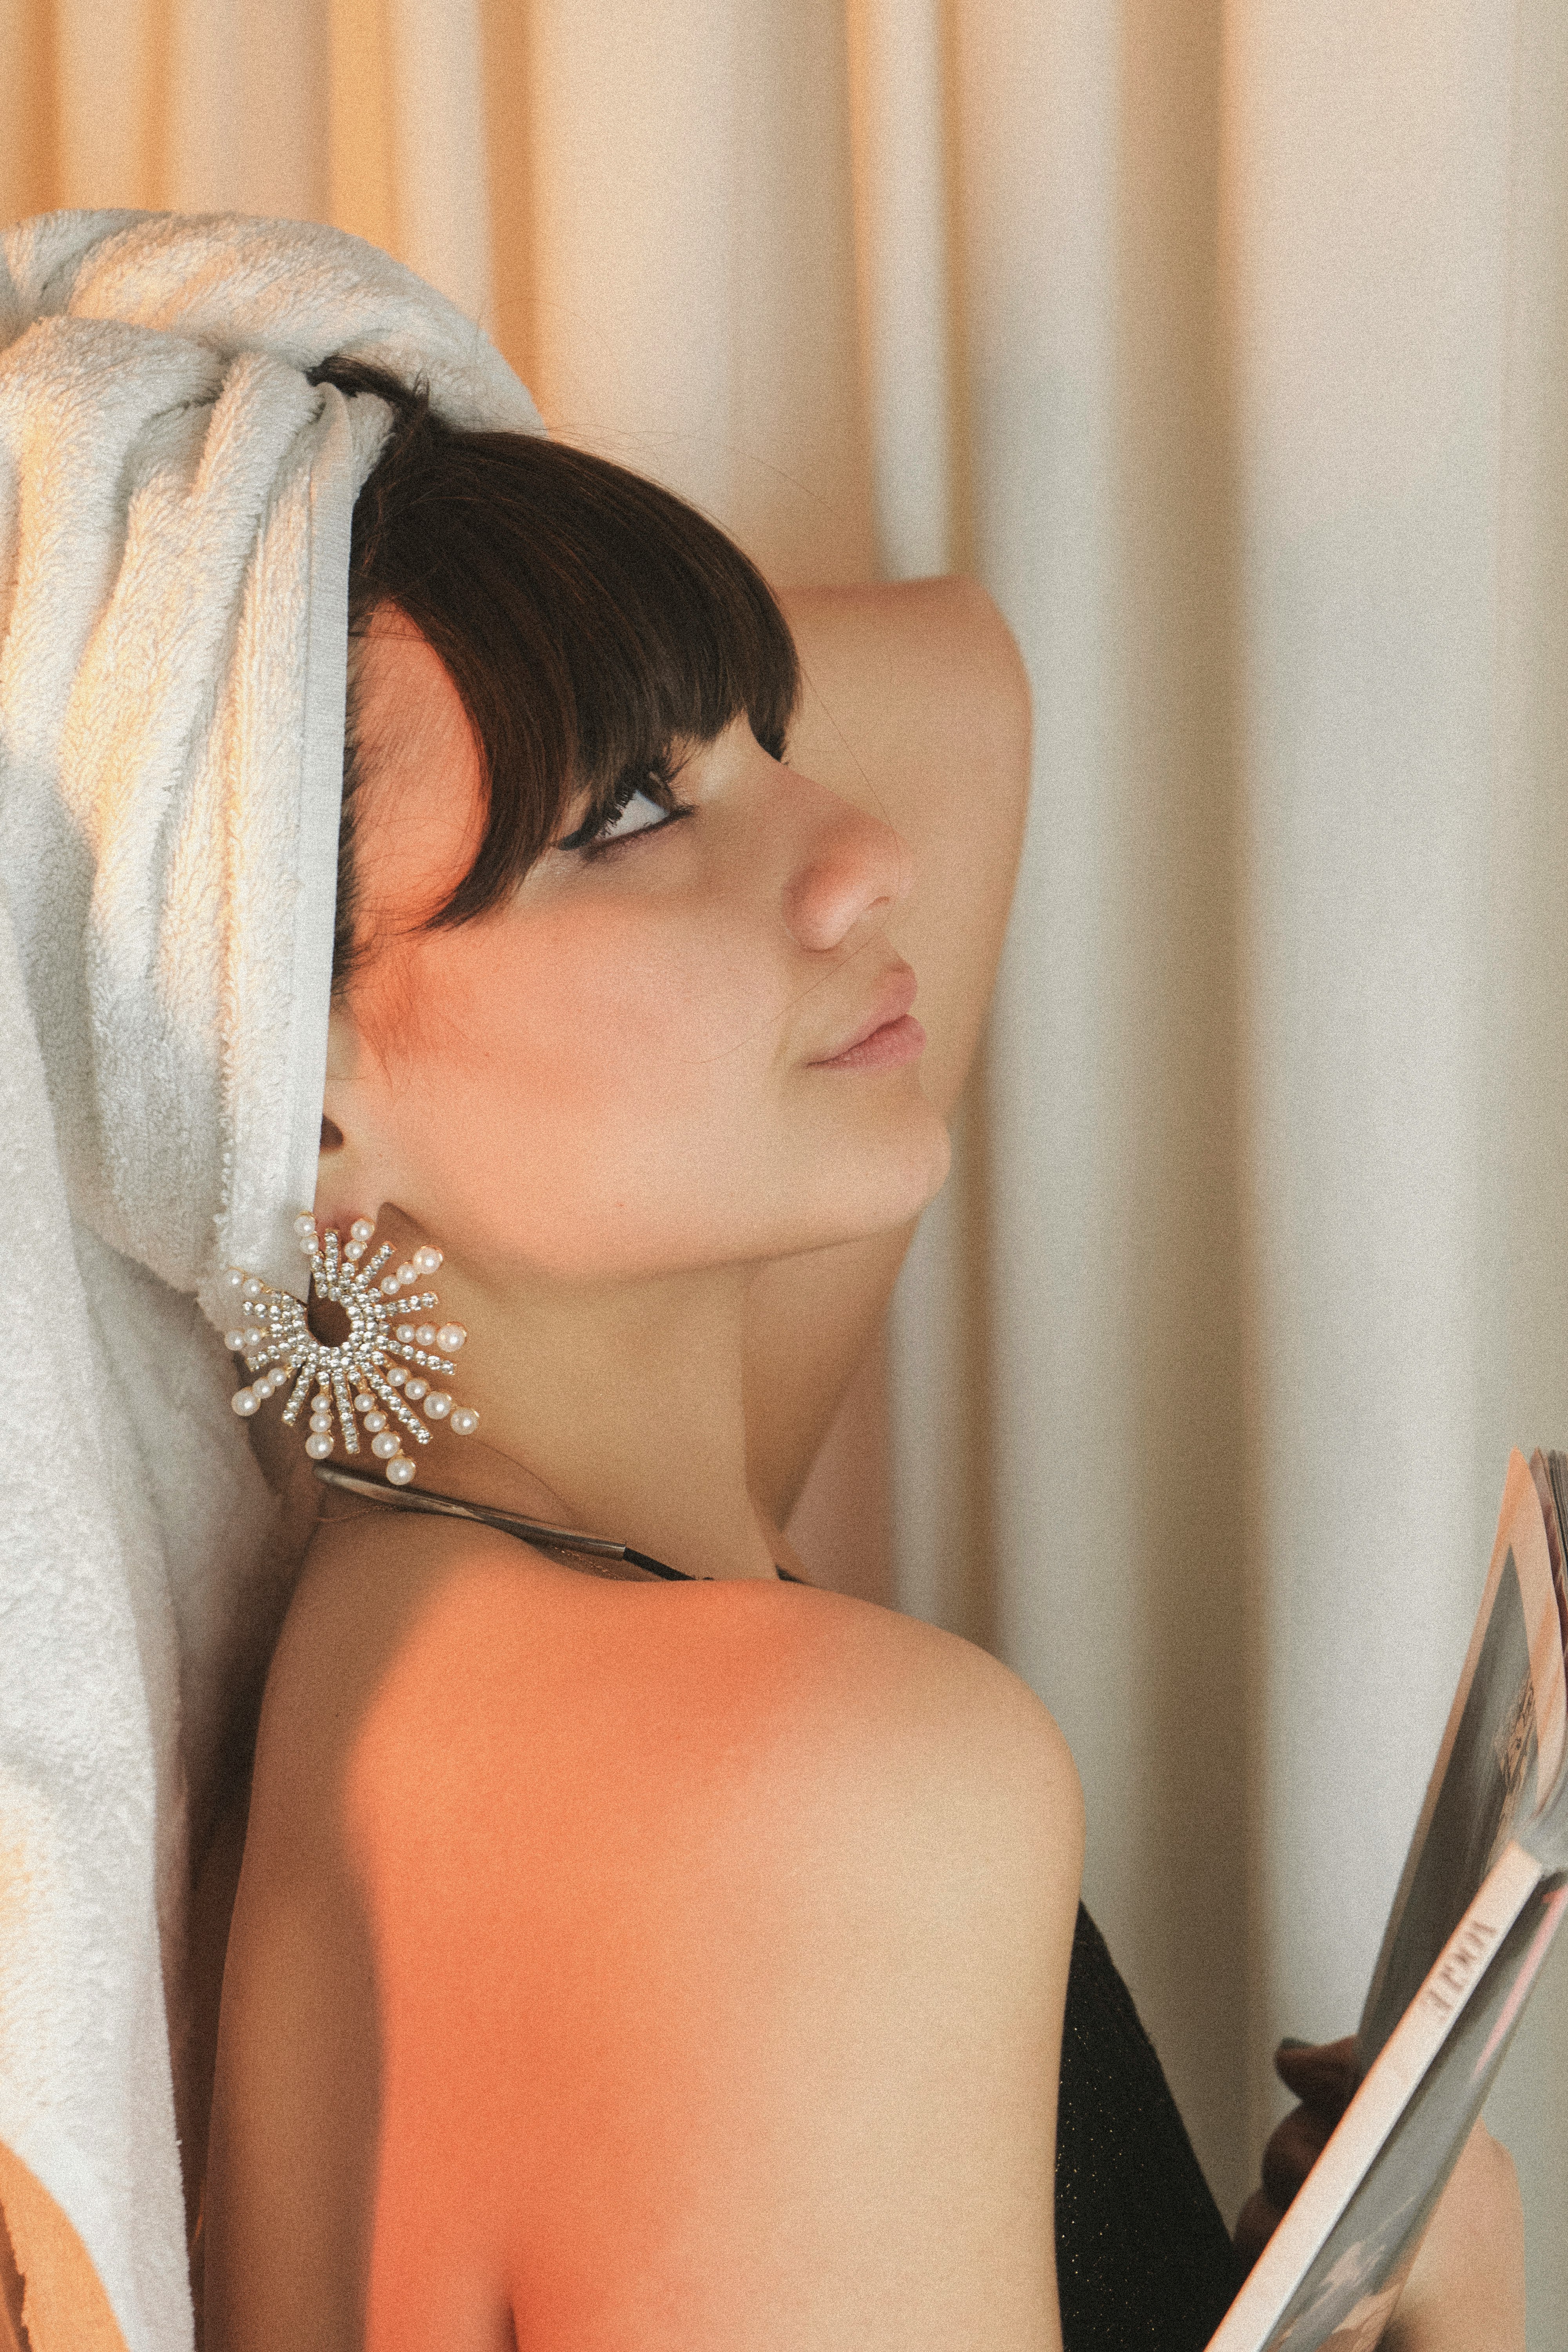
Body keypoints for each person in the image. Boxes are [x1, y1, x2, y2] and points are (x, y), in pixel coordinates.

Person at [0, 213, 1523, 2352]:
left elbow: (944, 693)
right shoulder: (794, 1785)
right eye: (630, 811)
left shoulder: (413, 1627)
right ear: (294, 1097)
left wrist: (374, 527)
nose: (857, 852)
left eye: (759, 737)